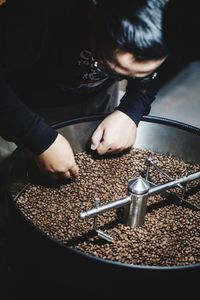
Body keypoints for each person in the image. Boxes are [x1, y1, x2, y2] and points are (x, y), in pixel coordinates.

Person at [0, 0, 169, 181]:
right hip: (19, 104)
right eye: (111, 68)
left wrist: (131, 109)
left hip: (96, 98)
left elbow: (164, 65)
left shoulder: (174, 18)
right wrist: (37, 138)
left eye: (140, 75)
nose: (121, 81)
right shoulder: (33, 15)